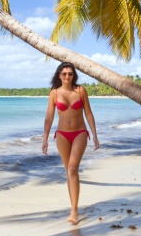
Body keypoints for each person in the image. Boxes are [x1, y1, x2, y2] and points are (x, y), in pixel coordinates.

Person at [42, 61, 100, 224]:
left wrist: (94, 135)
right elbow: (49, 117)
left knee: (73, 169)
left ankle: (74, 211)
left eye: (70, 74)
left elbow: (88, 113)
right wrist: (45, 138)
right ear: (59, 75)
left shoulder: (81, 91)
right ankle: (73, 206)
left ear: (74, 75)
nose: (67, 76)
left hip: (80, 133)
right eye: (64, 73)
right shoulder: (54, 93)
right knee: (69, 172)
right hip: (61, 135)